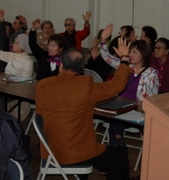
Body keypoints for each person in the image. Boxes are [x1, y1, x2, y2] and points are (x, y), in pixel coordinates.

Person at [36, 35, 132, 180]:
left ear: (61, 65)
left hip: (49, 150)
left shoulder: (42, 85)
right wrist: (124, 58)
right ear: (81, 69)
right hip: (75, 152)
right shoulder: (85, 85)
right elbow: (116, 85)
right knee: (119, 157)